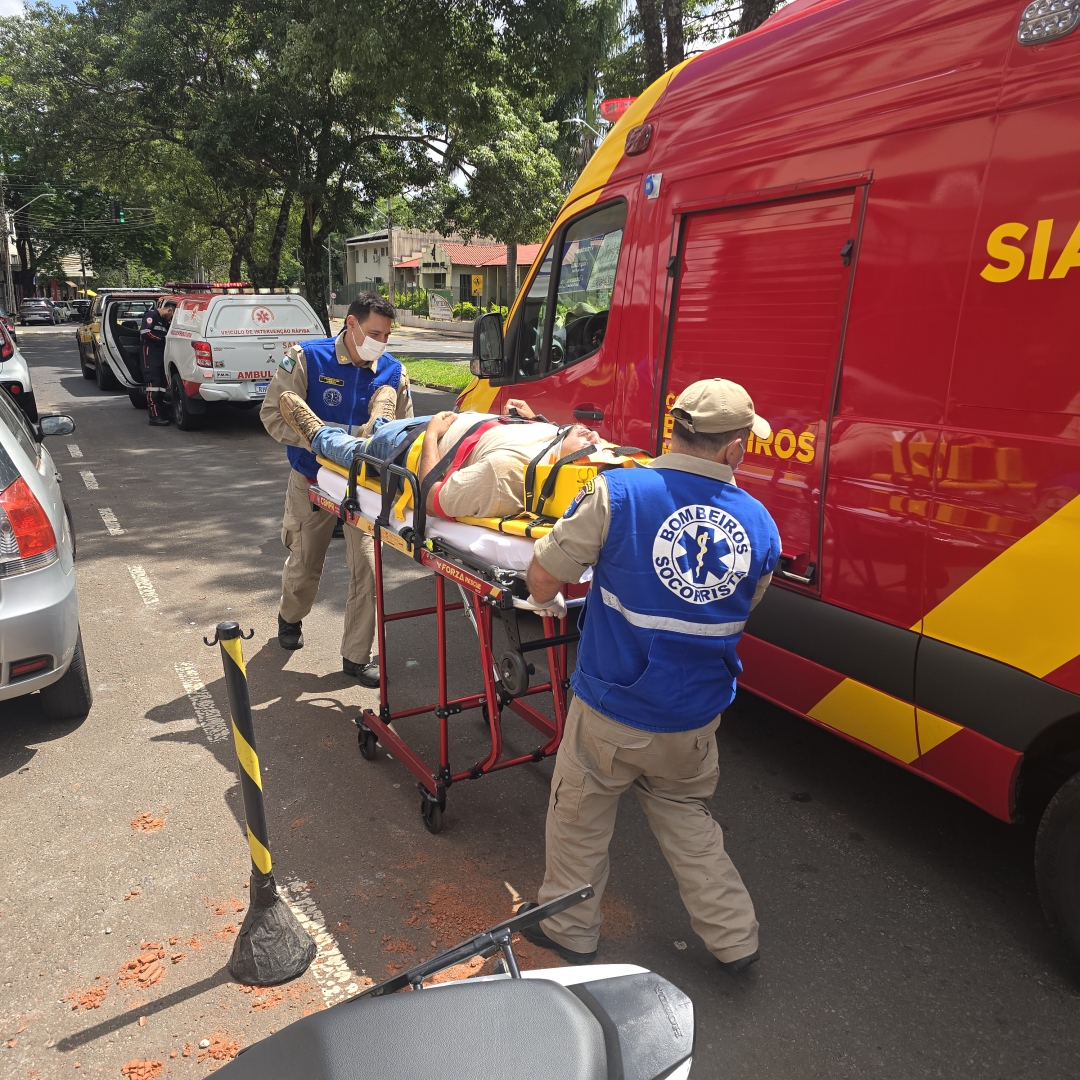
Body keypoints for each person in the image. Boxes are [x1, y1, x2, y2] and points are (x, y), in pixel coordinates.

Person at [517, 378, 782, 974]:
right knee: (688, 820)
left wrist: (546, 603)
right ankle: (736, 940)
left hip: (611, 709)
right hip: (692, 718)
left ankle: (568, 930)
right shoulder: (760, 524)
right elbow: (743, 605)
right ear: (734, 449)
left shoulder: (620, 492)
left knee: (579, 817)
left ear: (675, 431)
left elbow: (543, 574)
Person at [261, 292, 412, 686]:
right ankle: (290, 617)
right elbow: (273, 414)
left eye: (387, 335)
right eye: (374, 333)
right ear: (351, 324)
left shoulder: (392, 374)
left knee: (368, 570)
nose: (380, 342)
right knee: (305, 565)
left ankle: (356, 657)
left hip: (362, 490)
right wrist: (322, 443)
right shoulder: (308, 359)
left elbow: (405, 436)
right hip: (311, 479)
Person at [276, 393, 601, 520]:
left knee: (357, 451)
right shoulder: (555, 442)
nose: (594, 437)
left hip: (408, 445)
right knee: (381, 431)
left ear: (566, 469)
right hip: (443, 425)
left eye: (590, 450)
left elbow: (433, 498)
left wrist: (432, 434)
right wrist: (532, 421)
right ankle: (379, 422)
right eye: (597, 443)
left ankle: (318, 434)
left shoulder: (505, 475)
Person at [140, 296, 177, 426]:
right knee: (153, 387)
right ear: (169, 310)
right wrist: (164, 340)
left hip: (160, 357)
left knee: (161, 387)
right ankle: (154, 416)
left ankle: (162, 413)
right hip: (150, 356)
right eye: (171, 316)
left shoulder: (163, 321)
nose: (171, 320)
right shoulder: (151, 315)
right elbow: (146, 333)